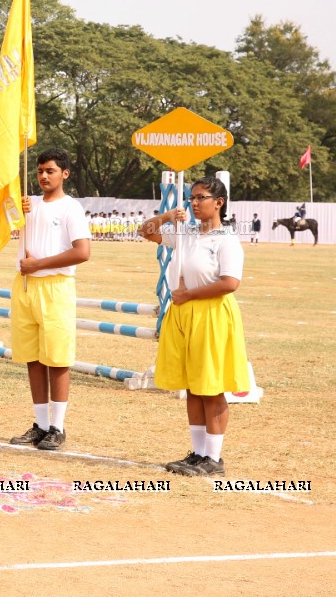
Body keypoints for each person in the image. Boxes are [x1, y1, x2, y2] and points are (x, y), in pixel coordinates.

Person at [138, 176, 248, 476]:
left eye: (201, 198)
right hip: (184, 313)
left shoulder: (226, 240)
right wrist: (167, 216)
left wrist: (188, 294)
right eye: (192, 198)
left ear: (219, 203)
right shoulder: (186, 234)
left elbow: (229, 283)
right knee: (193, 387)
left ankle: (214, 457)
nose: (195, 203)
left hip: (210, 313)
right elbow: (145, 231)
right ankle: (198, 454)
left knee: (211, 387)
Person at [7, 149, 91, 451]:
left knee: (57, 358)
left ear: (64, 174)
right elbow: (4, 226)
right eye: (40, 170)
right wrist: (15, 208)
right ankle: (40, 425)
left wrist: (39, 264)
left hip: (55, 287)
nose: (44, 176)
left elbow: (82, 251)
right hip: (26, 286)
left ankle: (57, 427)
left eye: (51, 171)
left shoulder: (71, 208)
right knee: (32, 356)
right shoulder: (28, 204)